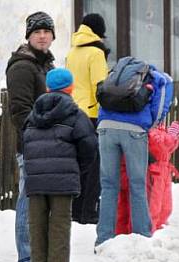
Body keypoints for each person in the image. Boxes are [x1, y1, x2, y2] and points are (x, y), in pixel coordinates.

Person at [22, 68, 98, 262]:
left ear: (47, 88)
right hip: (63, 179)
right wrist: (78, 168)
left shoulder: (32, 115)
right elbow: (89, 145)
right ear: (71, 88)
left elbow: (25, 143)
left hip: (36, 179)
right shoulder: (75, 114)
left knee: (36, 224)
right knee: (60, 224)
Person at [95, 61, 173, 247]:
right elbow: (160, 105)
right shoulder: (155, 76)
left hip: (105, 127)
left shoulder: (115, 74)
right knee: (137, 184)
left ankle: (103, 239)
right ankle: (142, 236)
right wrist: (149, 125)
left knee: (108, 185)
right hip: (134, 129)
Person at [6, 11, 55, 262]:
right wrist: (37, 135)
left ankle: (40, 261)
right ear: (28, 35)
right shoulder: (23, 66)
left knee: (42, 205)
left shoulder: (45, 64)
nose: (42, 35)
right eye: (37, 31)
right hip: (33, 146)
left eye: (47, 31)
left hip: (49, 145)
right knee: (28, 204)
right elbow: (20, 111)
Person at [66, 13, 109, 224]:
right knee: (95, 165)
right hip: (92, 114)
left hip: (73, 113)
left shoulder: (72, 52)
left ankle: (76, 210)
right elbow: (100, 87)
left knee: (79, 164)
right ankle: (88, 212)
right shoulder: (96, 53)